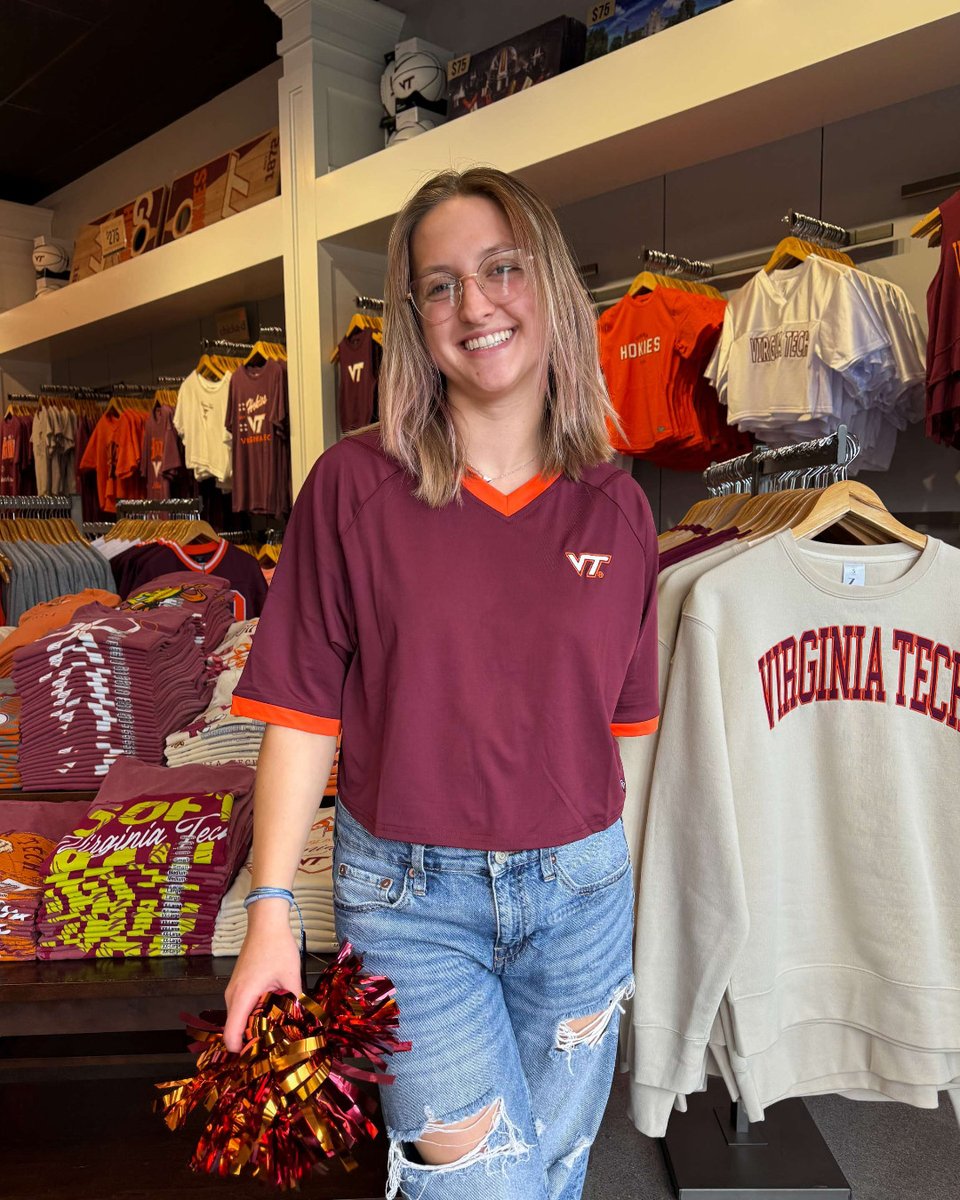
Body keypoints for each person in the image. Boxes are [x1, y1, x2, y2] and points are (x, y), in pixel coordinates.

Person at [226, 166, 660, 1200]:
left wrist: (628, 895)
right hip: (410, 908)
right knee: (481, 1189)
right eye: (440, 285)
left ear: (550, 287)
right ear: (415, 319)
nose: (475, 304)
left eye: (502, 268)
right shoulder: (351, 486)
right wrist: (271, 906)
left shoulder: (619, 507)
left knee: (553, 1172)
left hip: (582, 897)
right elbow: (300, 713)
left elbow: (629, 729)